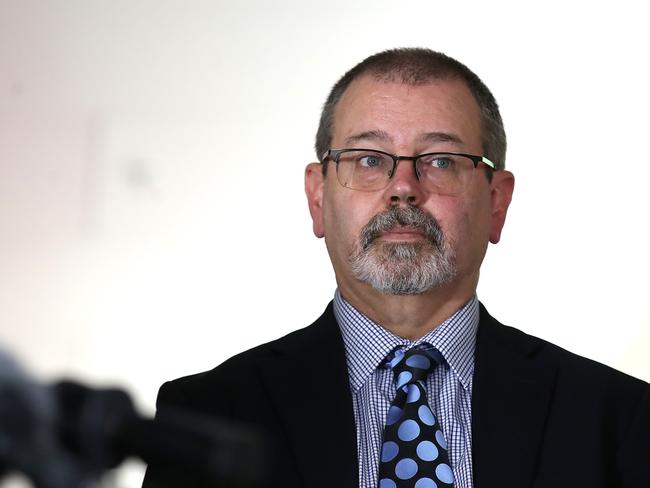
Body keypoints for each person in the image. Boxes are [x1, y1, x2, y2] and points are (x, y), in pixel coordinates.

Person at [142, 48, 650, 488]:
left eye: (442, 160)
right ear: (318, 197)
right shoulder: (210, 415)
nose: (403, 186)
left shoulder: (618, 418)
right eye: (367, 158)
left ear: (496, 202)